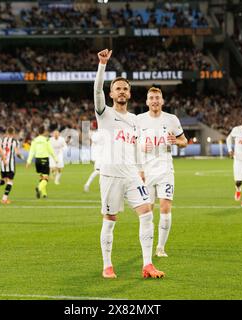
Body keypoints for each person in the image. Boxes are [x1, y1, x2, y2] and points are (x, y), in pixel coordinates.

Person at [94, 49, 164, 279]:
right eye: (117, 88)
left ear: (129, 93)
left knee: (146, 213)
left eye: (125, 88)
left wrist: (141, 169)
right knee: (111, 219)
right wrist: (102, 65)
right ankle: (107, 265)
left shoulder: (134, 120)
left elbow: (136, 147)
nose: (121, 91)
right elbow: (96, 90)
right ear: (111, 94)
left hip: (132, 175)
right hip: (111, 175)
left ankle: (147, 264)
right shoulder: (104, 113)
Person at [136, 87, 188, 258]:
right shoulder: (138, 120)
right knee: (147, 211)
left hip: (166, 170)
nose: (155, 101)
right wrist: (141, 148)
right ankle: (147, 246)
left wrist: (177, 141)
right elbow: (131, 145)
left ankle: (160, 247)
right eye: (151, 98)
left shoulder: (171, 119)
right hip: (146, 173)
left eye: (157, 97)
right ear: (147, 102)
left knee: (165, 208)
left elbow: (184, 141)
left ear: (162, 101)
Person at [26, 126, 57, 199]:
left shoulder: (34, 140)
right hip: (44, 160)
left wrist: (28, 161)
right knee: (46, 178)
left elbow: (32, 151)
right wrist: (55, 159)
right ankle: (38, 188)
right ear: (44, 132)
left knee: (41, 177)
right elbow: (50, 150)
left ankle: (44, 194)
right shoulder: (46, 140)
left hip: (37, 160)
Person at [0, 126, 24, 204]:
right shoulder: (15, 141)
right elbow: (17, 153)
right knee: (10, 181)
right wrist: (21, 157)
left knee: (4, 180)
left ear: (7, 132)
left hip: (2, 162)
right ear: (13, 133)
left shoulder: (2, 140)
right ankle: (4, 198)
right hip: (10, 163)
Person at [84, 125, 103, 192]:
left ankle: (102, 187)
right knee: (98, 171)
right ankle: (87, 185)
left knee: (102, 172)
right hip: (98, 157)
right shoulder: (97, 134)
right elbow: (93, 140)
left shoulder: (100, 134)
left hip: (103, 157)